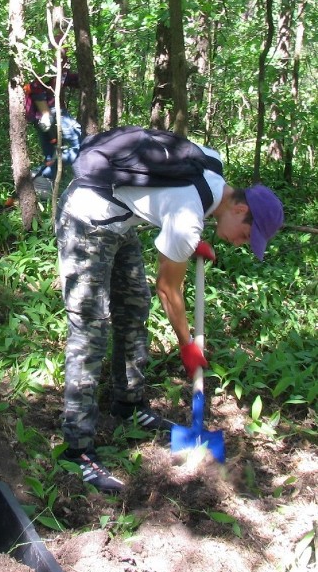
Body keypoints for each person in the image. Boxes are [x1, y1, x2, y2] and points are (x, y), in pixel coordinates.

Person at [55, 129, 284, 492]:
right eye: (245, 235)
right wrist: (187, 345)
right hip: (85, 217)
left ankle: (128, 405)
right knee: (91, 327)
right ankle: (78, 449)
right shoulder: (189, 218)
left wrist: (192, 242)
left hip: (120, 220)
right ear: (240, 209)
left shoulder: (213, 167)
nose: (240, 243)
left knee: (133, 308)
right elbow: (168, 288)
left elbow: (167, 198)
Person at [24, 61, 82, 181]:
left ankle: (45, 181)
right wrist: (45, 114)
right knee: (82, 146)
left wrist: (82, 79)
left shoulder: (61, 61)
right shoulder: (51, 59)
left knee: (50, 153)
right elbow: (36, 86)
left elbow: (61, 80)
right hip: (49, 113)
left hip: (41, 115)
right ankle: (49, 167)